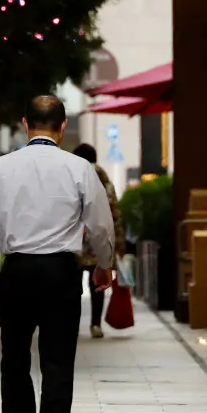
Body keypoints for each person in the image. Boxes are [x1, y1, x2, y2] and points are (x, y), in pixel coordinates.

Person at [0, 95, 115, 413]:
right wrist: (104, 265)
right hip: (61, 274)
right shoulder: (80, 168)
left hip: (16, 272)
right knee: (58, 362)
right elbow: (100, 223)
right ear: (62, 127)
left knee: (14, 360)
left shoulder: (1, 168)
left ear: (26, 124)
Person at [71, 143, 125, 338]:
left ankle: (72, 325)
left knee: (72, 288)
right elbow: (115, 214)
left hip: (75, 244)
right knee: (98, 286)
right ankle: (95, 325)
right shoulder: (105, 181)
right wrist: (119, 245)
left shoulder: (72, 179)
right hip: (100, 243)